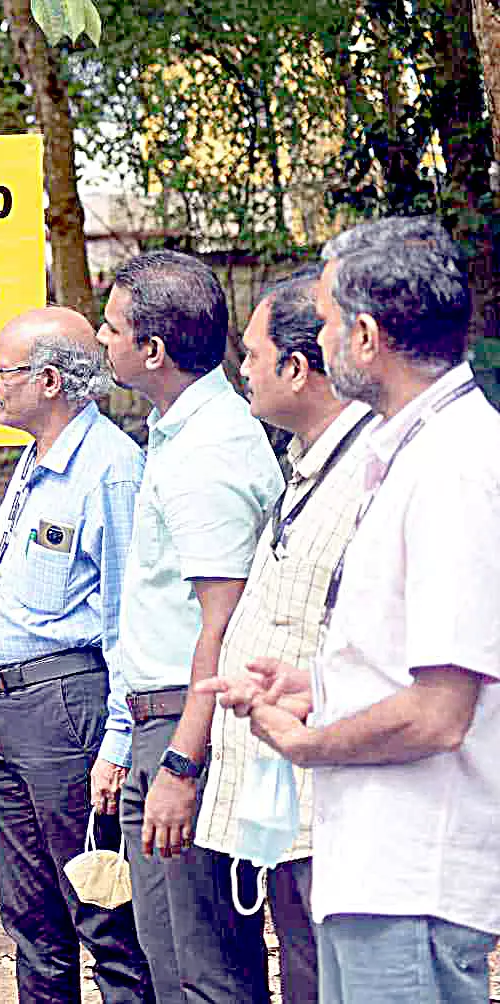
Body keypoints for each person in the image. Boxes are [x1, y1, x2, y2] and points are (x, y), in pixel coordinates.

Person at [208, 219, 500, 1004]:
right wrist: (318, 684)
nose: (326, 340)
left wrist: (310, 743)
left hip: (413, 878)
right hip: (374, 869)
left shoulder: (453, 466)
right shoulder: (413, 451)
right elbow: (420, 662)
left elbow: (440, 713)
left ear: (366, 337)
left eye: (332, 322)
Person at [92, 250, 283, 1004]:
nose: (102, 344)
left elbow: (223, 624)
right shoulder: (175, 434)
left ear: (153, 351)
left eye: (112, 329)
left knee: (209, 974)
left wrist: (180, 765)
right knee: (169, 967)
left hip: (186, 726)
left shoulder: (208, 451)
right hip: (153, 723)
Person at [192, 268, 374, 1004]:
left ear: (298, 369)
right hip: (287, 804)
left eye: (254, 357)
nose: (242, 373)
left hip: (337, 801)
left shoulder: (373, 474)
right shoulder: (305, 468)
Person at [0, 308, 153, 1004]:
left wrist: (117, 741)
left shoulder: (110, 471)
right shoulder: (37, 459)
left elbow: (127, 622)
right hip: (7, 711)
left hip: (66, 711)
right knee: (31, 919)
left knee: (103, 915)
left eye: (1, 372)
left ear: (47, 381)